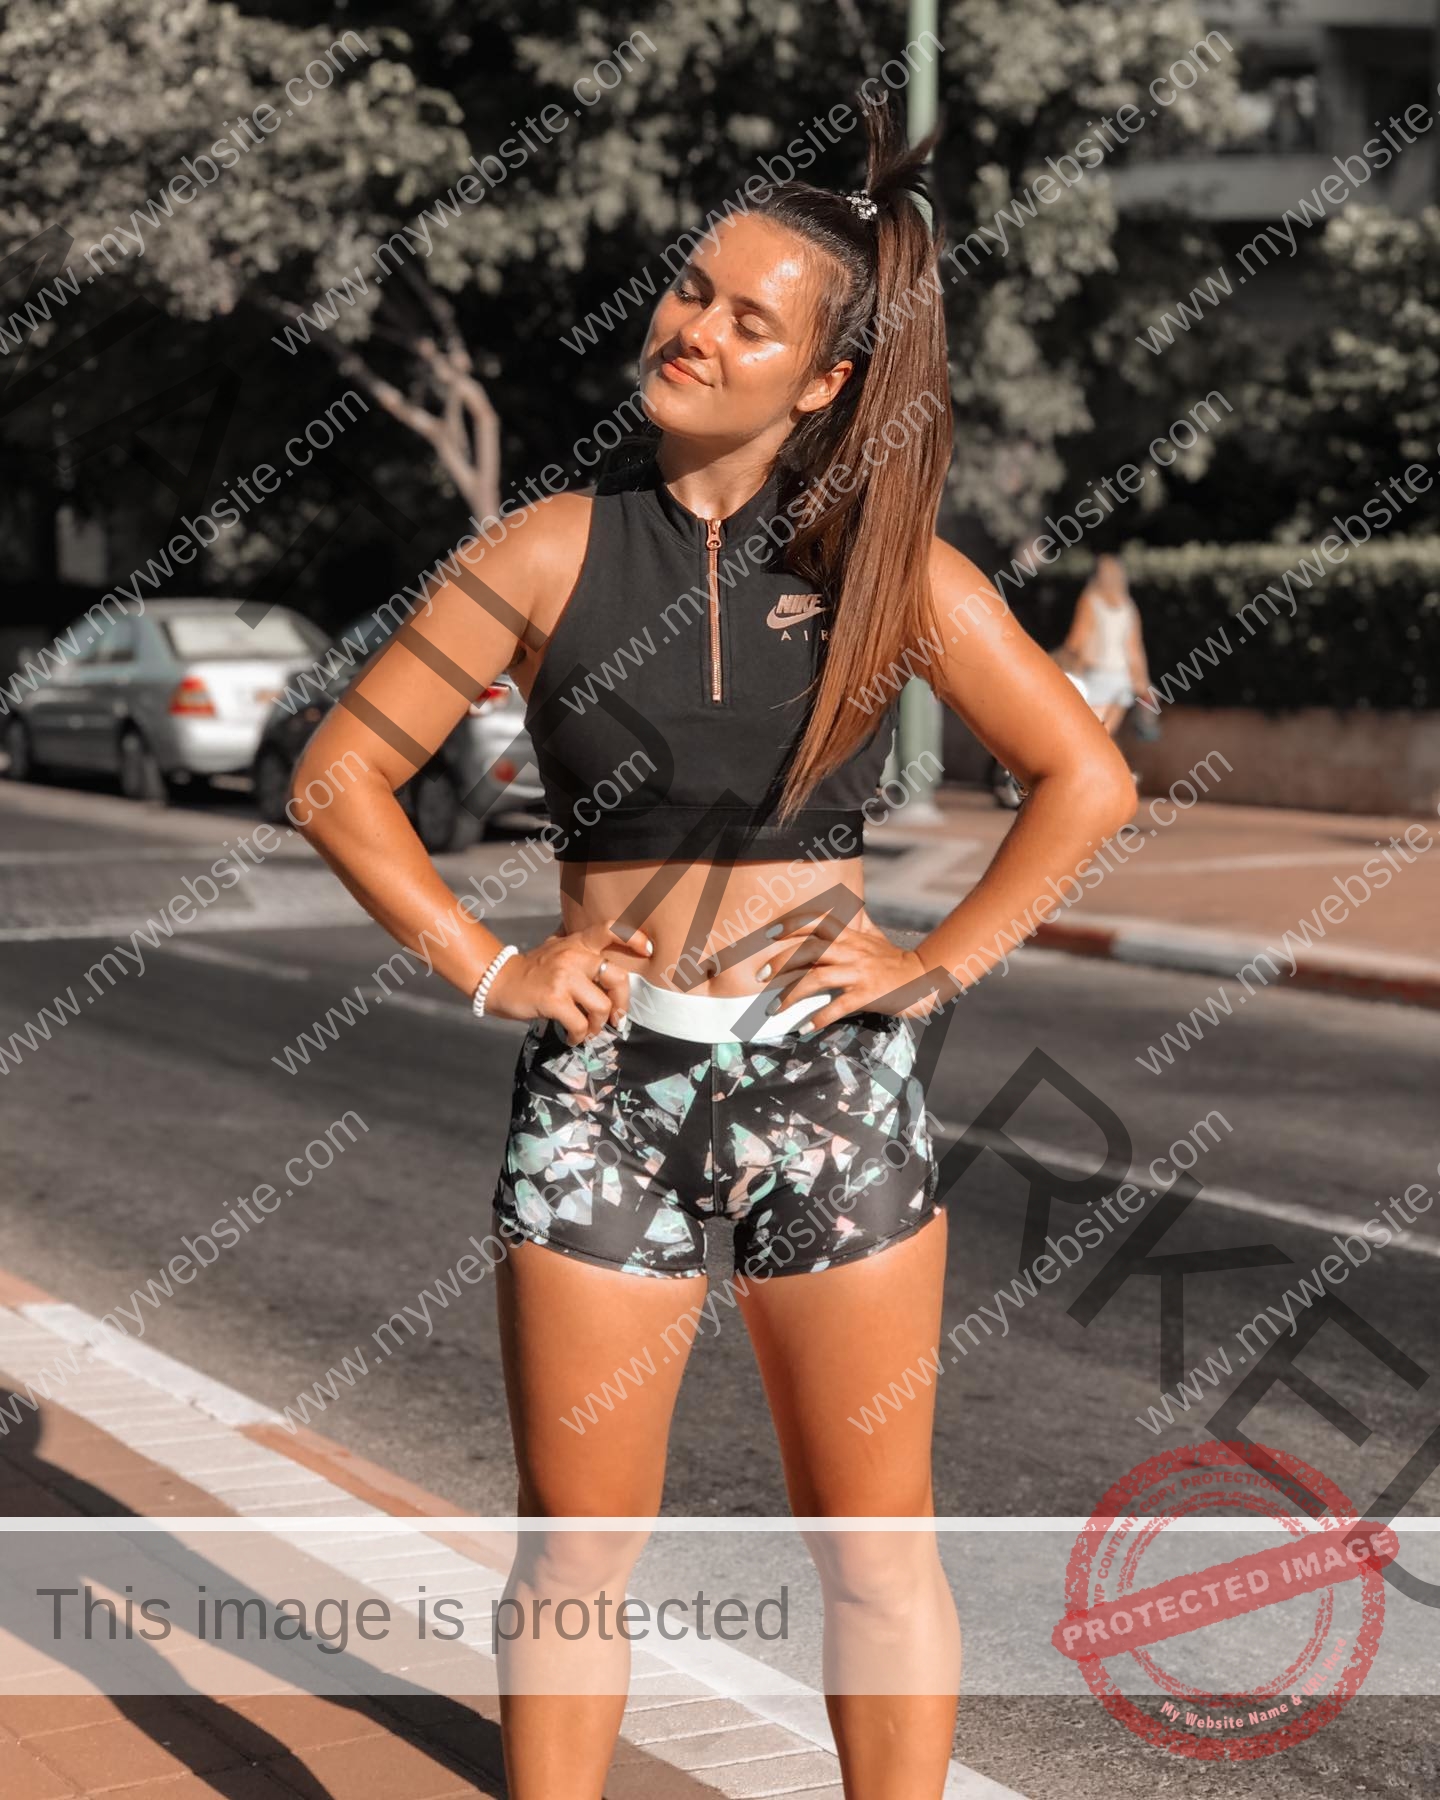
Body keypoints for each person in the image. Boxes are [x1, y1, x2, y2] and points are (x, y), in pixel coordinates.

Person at [291, 91, 1136, 1800]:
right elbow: (337, 776)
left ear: (825, 381)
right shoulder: (545, 549)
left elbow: (1087, 778)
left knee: (875, 1550)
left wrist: (940, 965)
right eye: (692, 290)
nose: (694, 328)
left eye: (752, 319)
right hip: (604, 1095)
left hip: (833, 1092)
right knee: (575, 1551)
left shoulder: (889, 570)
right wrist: (493, 966)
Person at [1061, 552, 1154, 737]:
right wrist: (1143, 682)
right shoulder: (1129, 606)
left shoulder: (1090, 600)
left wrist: (1060, 659)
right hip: (1121, 681)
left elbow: (1076, 641)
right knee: (1104, 735)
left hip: (1094, 678)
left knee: (1084, 734)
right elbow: (1135, 650)